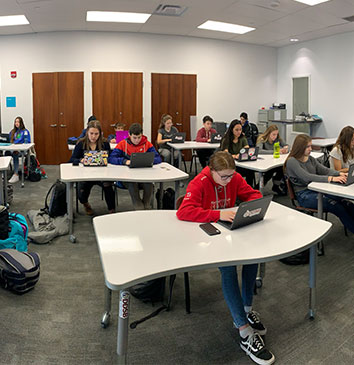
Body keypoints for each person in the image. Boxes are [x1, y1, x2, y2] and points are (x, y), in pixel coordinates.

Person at [176, 151, 275, 365]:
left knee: (252, 256)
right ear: (211, 171)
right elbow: (183, 211)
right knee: (229, 268)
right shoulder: (199, 182)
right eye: (224, 177)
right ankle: (243, 329)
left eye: (231, 176)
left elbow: (254, 196)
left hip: (230, 232)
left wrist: (246, 207)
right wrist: (218, 214)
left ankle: (247, 310)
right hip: (207, 237)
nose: (229, 181)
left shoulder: (234, 177)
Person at [285, 134, 354, 233]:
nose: (310, 149)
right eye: (307, 147)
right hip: (304, 195)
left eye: (310, 146)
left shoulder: (310, 158)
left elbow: (325, 170)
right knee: (336, 207)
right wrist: (331, 178)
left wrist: (340, 173)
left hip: (316, 189)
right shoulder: (292, 161)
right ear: (300, 147)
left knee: (346, 202)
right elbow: (307, 177)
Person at [108, 123, 161, 210]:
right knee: (132, 183)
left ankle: (146, 204)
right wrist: (124, 161)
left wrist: (148, 161)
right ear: (129, 135)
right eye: (134, 138)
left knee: (149, 183)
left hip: (144, 175)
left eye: (139, 137)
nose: (137, 140)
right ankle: (138, 205)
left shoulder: (147, 144)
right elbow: (111, 158)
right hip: (127, 177)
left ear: (142, 135)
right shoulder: (122, 144)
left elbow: (158, 158)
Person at [70, 120, 115, 215]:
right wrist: (80, 160)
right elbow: (72, 159)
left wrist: (107, 159)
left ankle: (112, 210)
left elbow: (110, 158)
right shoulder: (81, 143)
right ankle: (86, 204)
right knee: (81, 192)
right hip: (86, 175)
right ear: (87, 132)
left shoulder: (104, 143)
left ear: (100, 134)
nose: (93, 136)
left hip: (102, 174)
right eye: (91, 133)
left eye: (96, 134)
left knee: (108, 185)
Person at [256, 124, 289, 195]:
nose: (275, 136)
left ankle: (276, 185)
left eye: (276, 134)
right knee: (269, 171)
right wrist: (275, 152)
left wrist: (286, 148)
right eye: (273, 134)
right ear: (268, 133)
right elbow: (259, 151)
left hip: (274, 161)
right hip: (264, 162)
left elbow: (287, 145)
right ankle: (258, 187)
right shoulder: (262, 139)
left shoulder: (278, 139)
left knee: (282, 168)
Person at [221, 119, 254, 186]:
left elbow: (246, 149)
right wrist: (235, 156)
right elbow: (226, 154)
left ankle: (248, 190)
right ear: (231, 129)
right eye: (236, 130)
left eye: (240, 129)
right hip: (230, 164)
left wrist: (244, 154)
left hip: (241, 163)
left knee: (250, 171)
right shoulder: (226, 139)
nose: (239, 132)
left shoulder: (242, 138)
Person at [8, 116, 31, 184]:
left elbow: (28, 142)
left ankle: (16, 174)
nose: (16, 123)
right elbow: (10, 141)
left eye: (18, 122)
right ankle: (4, 172)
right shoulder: (13, 132)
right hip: (13, 149)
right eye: (15, 122)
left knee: (15, 154)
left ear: (21, 123)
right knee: (6, 153)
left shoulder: (25, 132)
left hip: (21, 150)